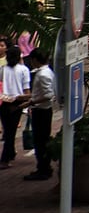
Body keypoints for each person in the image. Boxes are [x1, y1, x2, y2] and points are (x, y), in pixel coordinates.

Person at [22, 48, 55, 181]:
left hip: (42, 111)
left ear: (35, 60)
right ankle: (43, 167)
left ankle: (43, 169)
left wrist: (31, 102)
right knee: (42, 140)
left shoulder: (43, 75)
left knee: (40, 141)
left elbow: (48, 95)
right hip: (43, 110)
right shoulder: (46, 72)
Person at [0, 39, 31, 169]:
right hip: (17, 103)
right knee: (10, 132)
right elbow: (26, 90)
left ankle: (9, 154)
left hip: (4, 102)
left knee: (8, 130)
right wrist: (28, 103)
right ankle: (5, 159)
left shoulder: (2, 69)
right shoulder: (24, 70)